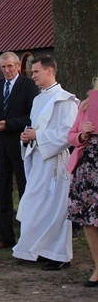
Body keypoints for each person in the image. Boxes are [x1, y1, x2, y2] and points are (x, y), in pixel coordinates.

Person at [13, 56, 79, 270]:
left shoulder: (65, 100)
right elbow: (36, 128)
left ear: (49, 71)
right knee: (35, 204)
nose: (32, 76)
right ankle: (39, 249)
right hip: (39, 159)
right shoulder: (39, 99)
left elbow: (68, 134)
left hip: (56, 163)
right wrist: (28, 137)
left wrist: (38, 135)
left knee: (56, 208)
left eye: (36, 72)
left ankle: (59, 255)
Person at [0, 52, 39, 249]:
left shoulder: (29, 86)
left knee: (25, 192)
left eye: (10, 66)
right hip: (3, 148)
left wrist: (8, 124)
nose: (6, 70)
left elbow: (31, 117)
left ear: (18, 66)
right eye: (3, 67)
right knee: (3, 194)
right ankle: (6, 238)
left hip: (22, 147)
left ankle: (28, 237)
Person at [67, 77, 98, 287]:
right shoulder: (87, 105)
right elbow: (71, 136)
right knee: (89, 220)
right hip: (88, 168)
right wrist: (82, 133)